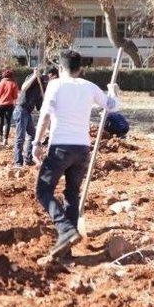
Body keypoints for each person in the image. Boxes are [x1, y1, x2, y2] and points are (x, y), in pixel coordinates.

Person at [32, 50, 120, 259]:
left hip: (60, 147)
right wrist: (114, 91)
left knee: (43, 191)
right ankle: (66, 250)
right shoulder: (89, 87)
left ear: (61, 68)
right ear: (80, 69)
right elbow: (113, 106)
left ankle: (65, 229)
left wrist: (37, 142)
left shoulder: (56, 85)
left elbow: (45, 115)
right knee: (71, 195)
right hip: (82, 150)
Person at [13, 66, 59, 167]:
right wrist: (34, 76)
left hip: (28, 112)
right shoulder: (36, 78)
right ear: (52, 76)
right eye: (55, 79)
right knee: (20, 137)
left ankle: (28, 159)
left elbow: (40, 107)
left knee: (32, 135)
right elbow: (23, 87)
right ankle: (17, 163)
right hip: (21, 109)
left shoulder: (44, 87)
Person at [0, 68, 20, 145]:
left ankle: (0, 136)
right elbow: (15, 96)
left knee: (1, 120)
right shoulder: (14, 84)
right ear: (11, 76)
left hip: (0, 104)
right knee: (8, 122)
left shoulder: (0, 84)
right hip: (9, 105)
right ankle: (6, 139)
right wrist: (15, 104)